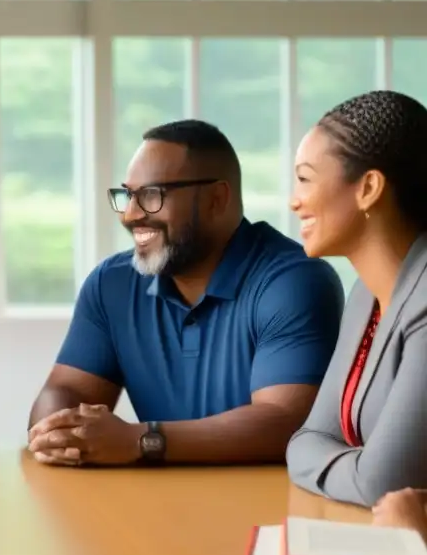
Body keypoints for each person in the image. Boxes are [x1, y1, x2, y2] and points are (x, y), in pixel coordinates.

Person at [28, 120, 344, 468]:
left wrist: (142, 440)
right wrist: (57, 431)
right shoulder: (111, 284)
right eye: (127, 196)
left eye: (151, 195)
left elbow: (285, 421)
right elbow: (67, 389)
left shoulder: (293, 281)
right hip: (160, 504)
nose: (131, 215)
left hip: (266, 506)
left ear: (216, 199)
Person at [286, 90, 427, 506]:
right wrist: (359, 468)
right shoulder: (365, 293)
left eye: (305, 178)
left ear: (368, 188)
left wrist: (362, 473)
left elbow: (383, 484)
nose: (294, 200)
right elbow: (306, 439)